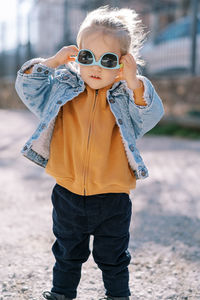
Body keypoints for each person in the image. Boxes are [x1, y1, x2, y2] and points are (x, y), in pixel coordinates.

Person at [15, 5, 164, 300]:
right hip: (68, 191)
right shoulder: (62, 89)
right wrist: (53, 61)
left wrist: (134, 83)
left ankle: (118, 295)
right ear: (77, 56)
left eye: (108, 60)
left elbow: (149, 116)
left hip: (113, 197)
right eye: (87, 57)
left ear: (123, 63)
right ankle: (62, 293)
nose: (95, 67)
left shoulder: (127, 97)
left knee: (113, 255)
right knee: (68, 251)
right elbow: (28, 87)